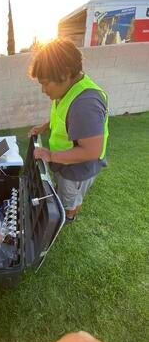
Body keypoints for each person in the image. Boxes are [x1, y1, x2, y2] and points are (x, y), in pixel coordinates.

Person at [28, 39, 109, 223]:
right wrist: (44, 126)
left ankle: (70, 215)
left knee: (70, 198)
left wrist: (50, 155)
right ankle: (66, 205)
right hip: (64, 160)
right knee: (64, 191)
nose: (43, 90)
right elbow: (64, 116)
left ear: (64, 74)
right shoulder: (66, 90)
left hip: (78, 169)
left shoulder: (85, 103)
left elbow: (91, 151)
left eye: (46, 83)